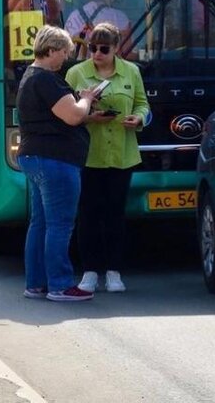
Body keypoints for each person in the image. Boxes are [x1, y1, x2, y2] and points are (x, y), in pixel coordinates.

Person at [16, 25, 105, 302]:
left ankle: (36, 283)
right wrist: (87, 99)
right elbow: (73, 116)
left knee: (40, 222)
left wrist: (82, 105)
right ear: (51, 50)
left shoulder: (29, 77)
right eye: (64, 52)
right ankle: (60, 285)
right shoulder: (46, 79)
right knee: (60, 224)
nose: (66, 58)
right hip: (56, 159)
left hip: (35, 156)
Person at [65, 22, 150, 294]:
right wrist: (90, 117)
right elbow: (65, 112)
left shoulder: (131, 72)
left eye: (103, 49)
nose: (96, 54)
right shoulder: (76, 73)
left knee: (115, 214)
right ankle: (89, 271)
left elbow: (142, 103)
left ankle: (114, 271)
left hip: (121, 154)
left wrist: (139, 119)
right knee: (88, 214)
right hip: (88, 154)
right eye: (92, 48)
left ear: (116, 49)